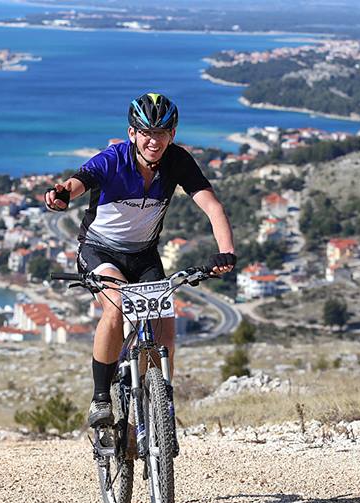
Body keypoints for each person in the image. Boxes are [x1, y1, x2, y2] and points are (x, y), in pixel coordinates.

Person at [44, 92, 235, 430]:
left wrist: (226, 252)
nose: (153, 140)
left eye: (161, 133)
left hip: (144, 255)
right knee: (116, 306)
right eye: (146, 133)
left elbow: (212, 207)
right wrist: (61, 196)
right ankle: (101, 398)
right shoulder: (113, 159)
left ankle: (156, 412)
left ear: (171, 135)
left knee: (165, 334)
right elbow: (78, 182)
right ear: (132, 133)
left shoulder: (178, 161)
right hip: (99, 250)